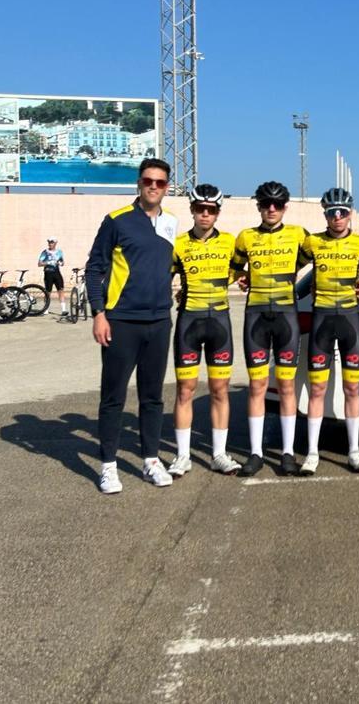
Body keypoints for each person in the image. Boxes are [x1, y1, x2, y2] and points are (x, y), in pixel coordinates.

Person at [85, 158, 179, 494]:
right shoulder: (116, 220)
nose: (154, 187)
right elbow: (94, 269)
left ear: (168, 187)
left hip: (159, 322)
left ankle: (151, 460)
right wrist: (99, 313)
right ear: (139, 183)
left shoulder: (171, 224)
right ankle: (108, 466)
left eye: (160, 182)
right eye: (148, 181)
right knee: (113, 397)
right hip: (121, 321)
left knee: (153, 397)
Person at [231, 181, 309, 477]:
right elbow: (236, 268)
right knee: (257, 386)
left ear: (285, 207)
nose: (271, 209)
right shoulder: (245, 237)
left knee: (287, 386)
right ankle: (255, 453)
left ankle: (287, 453)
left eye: (277, 204)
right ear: (259, 207)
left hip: (287, 316)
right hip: (257, 318)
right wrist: (241, 277)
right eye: (266, 204)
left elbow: (327, 253)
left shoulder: (299, 235)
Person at [298, 187, 359, 475]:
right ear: (326, 214)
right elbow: (289, 268)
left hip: (349, 320)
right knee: (317, 389)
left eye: (343, 212)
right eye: (332, 212)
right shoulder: (313, 243)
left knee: (352, 387)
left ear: (350, 213)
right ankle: (312, 453)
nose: (338, 217)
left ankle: (354, 451)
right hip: (321, 319)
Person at [167, 183, 241, 477]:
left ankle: (219, 454)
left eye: (211, 210)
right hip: (189, 322)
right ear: (192, 211)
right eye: (200, 209)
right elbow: (161, 276)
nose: (205, 215)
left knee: (219, 389)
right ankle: (183, 456)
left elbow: (244, 268)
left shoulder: (230, 242)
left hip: (219, 322)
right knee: (185, 390)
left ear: (218, 213)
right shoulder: (178, 244)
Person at [38, 237, 67, 316]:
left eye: (52, 242)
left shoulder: (59, 252)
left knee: (60, 290)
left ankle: (64, 309)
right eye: (49, 242)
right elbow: (39, 263)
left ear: (55, 243)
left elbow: (62, 262)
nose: (50, 244)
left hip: (57, 272)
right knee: (48, 292)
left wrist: (61, 263)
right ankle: (46, 309)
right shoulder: (45, 252)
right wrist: (48, 263)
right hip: (48, 273)